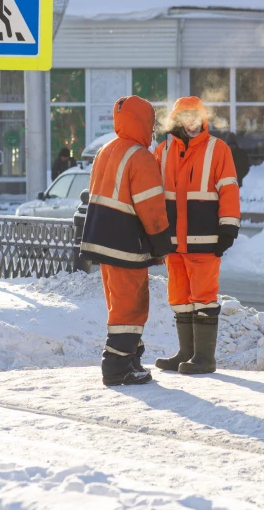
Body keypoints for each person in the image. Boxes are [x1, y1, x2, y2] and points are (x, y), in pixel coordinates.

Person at [80, 95, 174, 387]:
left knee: (118, 303)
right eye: (151, 123)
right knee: (131, 305)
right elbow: (151, 207)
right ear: (143, 121)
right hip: (126, 242)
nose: (153, 129)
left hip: (103, 239)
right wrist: (162, 243)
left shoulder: (106, 150)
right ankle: (117, 366)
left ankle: (131, 358)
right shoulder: (140, 156)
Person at [153, 96, 241, 375]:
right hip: (172, 241)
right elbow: (153, 195)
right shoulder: (162, 151)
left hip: (205, 239)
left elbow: (228, 189)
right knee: (179, 297)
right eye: (185, 117)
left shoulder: (218, 149)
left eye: (196, 116)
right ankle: (186, 353)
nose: (191, 122)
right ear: (176, 120)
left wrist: (228, 228)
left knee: (204, 297)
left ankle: (204, 358)